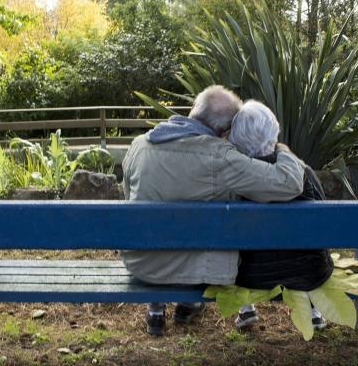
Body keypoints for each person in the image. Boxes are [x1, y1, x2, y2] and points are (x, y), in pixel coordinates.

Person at [122, 85, 306, 336]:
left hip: (141, 264)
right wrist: (280, 148)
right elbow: (289, 183)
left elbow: (128, 199)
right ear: (227, 130)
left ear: (193, 111)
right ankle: (194, 303)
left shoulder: (139, 146)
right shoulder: (221, 157)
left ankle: (166, 308)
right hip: (193, 271)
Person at [228, 100, 334, 329]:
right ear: (274, 131)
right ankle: (314, 312)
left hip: (253, 274)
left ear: (236, 138)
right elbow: (322, 217)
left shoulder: (237, 179)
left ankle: (246, 310)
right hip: (310, 271)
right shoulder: (302, 171)